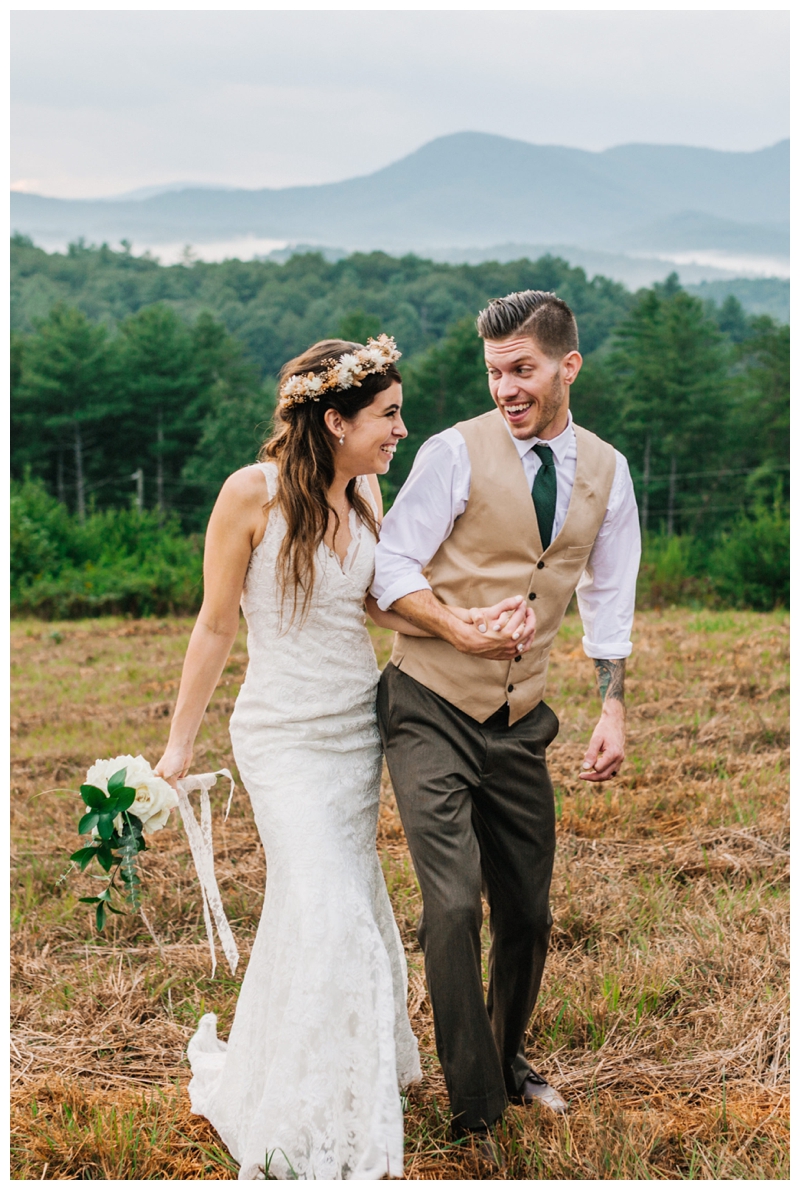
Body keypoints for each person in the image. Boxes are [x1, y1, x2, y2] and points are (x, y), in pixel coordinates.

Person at [154, 335, 447, 1180]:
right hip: (281, 735)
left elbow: (381, 605)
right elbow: (214, 625)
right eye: (388, 416)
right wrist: (180, 744)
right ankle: (298, 1112)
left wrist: (465, 625)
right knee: (328, 906)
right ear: (335, 418)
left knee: (338, 899)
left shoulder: (365, 491)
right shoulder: (249, 494)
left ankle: (330, 1073)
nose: (400, 430)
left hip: (355, 729)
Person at [371, 290, 641, 1166]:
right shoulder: (453, 453)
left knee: (527, 912)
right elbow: (389, 571)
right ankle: (476, 1108)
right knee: (452, 907)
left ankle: (507, 1053)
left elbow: (607, 594)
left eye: (522, 370)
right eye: (494, 373)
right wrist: (458, 627)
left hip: (522, 721)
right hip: (428, 705)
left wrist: (611, 704)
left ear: (569, 365)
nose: (507, 390)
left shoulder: (607, 470)